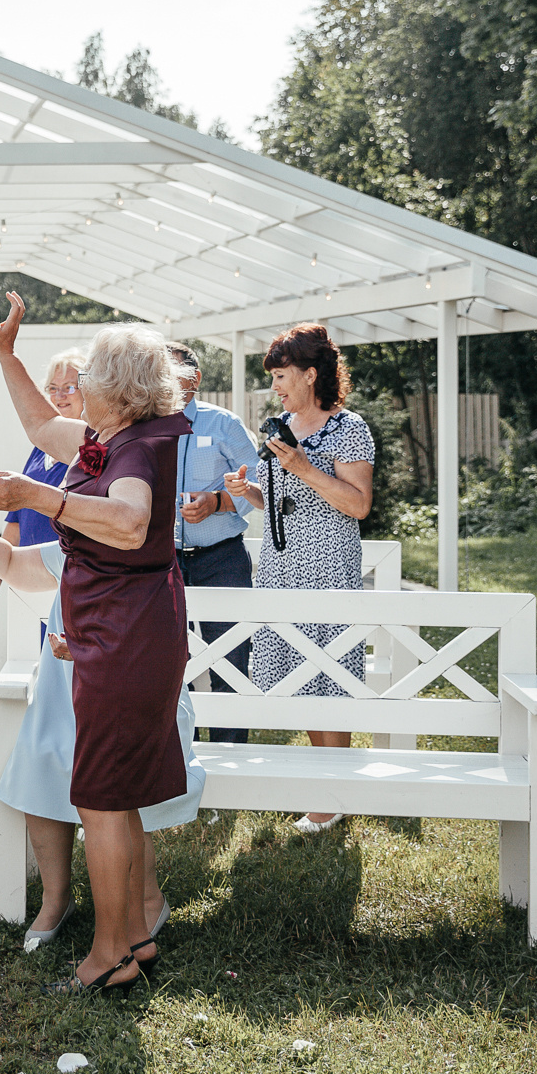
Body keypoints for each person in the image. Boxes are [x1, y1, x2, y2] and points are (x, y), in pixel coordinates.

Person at [0, 292, 190, 999]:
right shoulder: (107, 439)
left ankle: (106, 955)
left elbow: (130, 523)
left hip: (128, 636)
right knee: (116, 798)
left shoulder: (141, 446)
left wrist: (37, 498)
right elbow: (40, 422)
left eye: (87, 378)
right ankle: (134, 941)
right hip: (113, 631)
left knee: (99, 797)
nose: (77, 389)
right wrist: (6, 353)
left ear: (115, 388)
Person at [0, 491, 202, 945]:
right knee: (41, 757)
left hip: (133, 695)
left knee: (114, 779)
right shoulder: (71, 552)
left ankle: (146, 899)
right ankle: (55, 897)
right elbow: (7, 558)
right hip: (67, 695)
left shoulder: (141, 553)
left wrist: (87, 649)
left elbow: (149, 637)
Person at [223, 323, 374, 832]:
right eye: (274, 379)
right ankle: (329, 788)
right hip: (282, 565)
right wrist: (247, 494)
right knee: (302, 678)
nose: (277, 387)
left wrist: (307, 469)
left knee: (328, 674)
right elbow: (282, 503)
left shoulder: (348, 428)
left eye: (283, 376)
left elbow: (357, 504)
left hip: (327, 565)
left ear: (312, 375)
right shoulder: (279, 426)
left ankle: (334, 793)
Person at [167, 342, 259, 746]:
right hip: (163, 562)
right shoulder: (141, 427)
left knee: (231, 658)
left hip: (222, 558)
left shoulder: (224, 425)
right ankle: (182, 754)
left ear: (195, 379)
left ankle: (231, 754)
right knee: (170, 662)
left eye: (170, 373)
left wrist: (218, 502)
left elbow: (260, 486)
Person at [0, 348, 83, 605]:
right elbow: (16, 520)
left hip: (69, 579)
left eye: (69, 387)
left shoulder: (92, 449)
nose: (59, 396)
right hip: (28, 579)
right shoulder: (40, 446)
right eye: (52, 387)